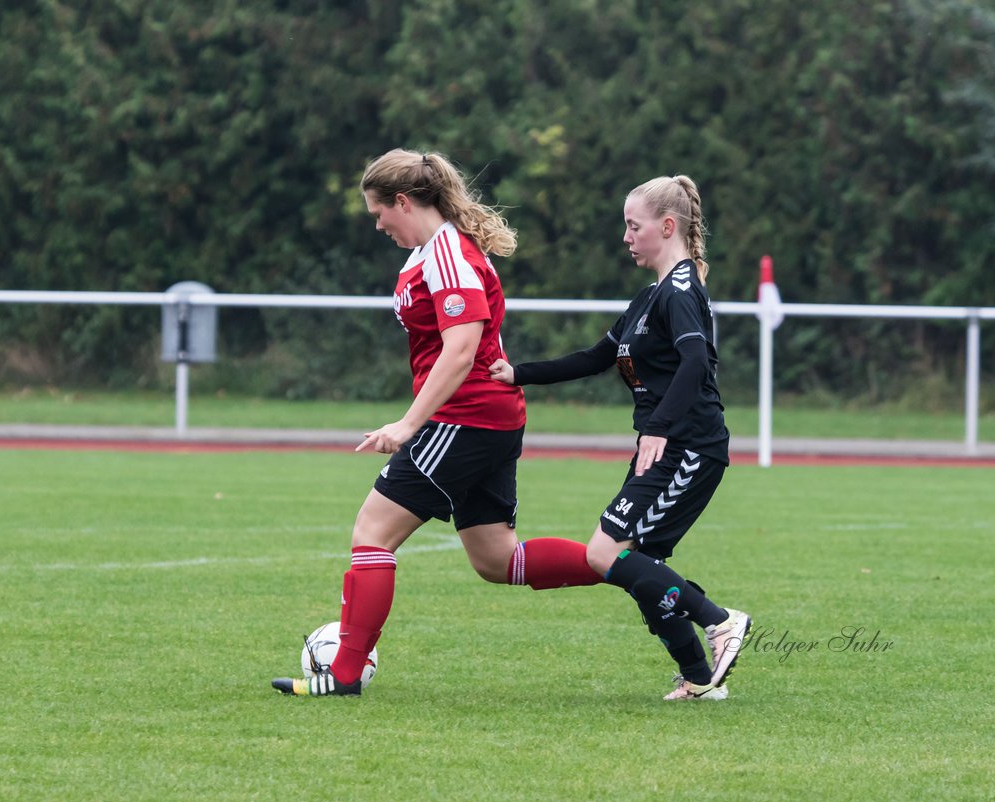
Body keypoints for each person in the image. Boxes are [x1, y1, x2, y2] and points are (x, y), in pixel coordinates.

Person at [272, 149, 602, 698]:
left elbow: (461, 349)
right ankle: (633, 569)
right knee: (497, 559)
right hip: (485, 416)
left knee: (372, 534)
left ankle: (344, 675)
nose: (377, 224)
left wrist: (407, 425)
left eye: (379, 212)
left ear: (404, 201)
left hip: (463, 416)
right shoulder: (430, 250)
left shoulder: (446, 251)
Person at [489, 175, 751, 701]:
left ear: (667, 226)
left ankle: (721, 621)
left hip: (688, 447)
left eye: (634, 226)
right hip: (665, 447)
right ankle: (699, 677)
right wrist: (517, 374)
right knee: (638, 568)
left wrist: (658, 427)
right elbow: (594, 357)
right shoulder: (648, 298)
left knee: (604, 553)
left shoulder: (679, 291)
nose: (626, 237)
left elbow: (697, 360)